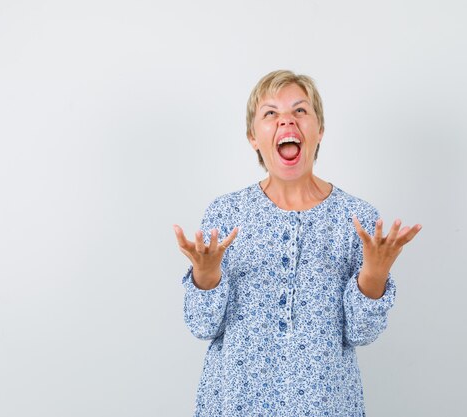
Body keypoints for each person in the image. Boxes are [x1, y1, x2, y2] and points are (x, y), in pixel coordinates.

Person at [172, 70, 421, 416]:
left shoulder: (357, 218)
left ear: (319, 131)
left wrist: (375, 275)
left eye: (300, 111)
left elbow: (362, 334)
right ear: (253, 137)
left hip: (325, 404)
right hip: (235, 402)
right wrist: (206, 274)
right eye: (270, 113)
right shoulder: (225, 213)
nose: (286, 120)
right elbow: (202, 326)